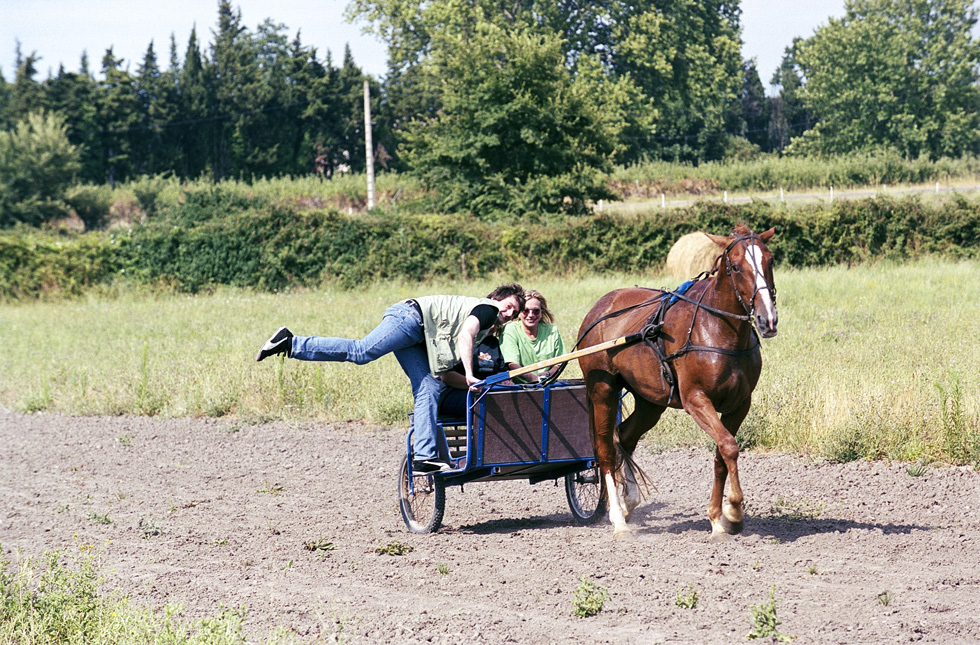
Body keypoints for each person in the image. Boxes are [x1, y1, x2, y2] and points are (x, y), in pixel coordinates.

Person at [255, 284, 525, 473]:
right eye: (510, 305)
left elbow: (443, 375)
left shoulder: (485, 323)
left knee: (428, 388)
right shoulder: (487, 310)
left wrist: (475, 384)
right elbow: (465, 335)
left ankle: (424, 457)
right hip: (409, 318)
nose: (510, 313)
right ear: (496, 297)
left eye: (515, 312)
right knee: (362, 352)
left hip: (419, 335)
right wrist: (469, 374)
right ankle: (292, 342)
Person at [438, 330, 509, 419]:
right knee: (491, 405)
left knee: (510, 401)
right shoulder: (455, 339)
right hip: (453, 392)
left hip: (486, 391)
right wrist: (481, 385)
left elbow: (501, 370)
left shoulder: (494, 342)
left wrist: (504, 381)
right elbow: (447, 376)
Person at [500, 289, 565, 383]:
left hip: (547, 383)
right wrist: (533, 379)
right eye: (525, 311)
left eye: (536, 311)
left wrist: (548, 374)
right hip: (519, 386)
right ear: (519, 312)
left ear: (541, 312)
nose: (530, 315)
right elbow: (512, 364)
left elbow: (561, 361)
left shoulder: (552, 331)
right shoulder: (510, 330)